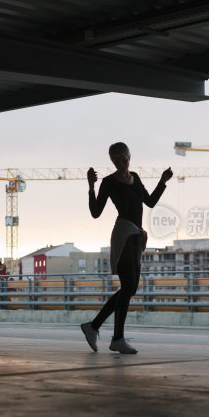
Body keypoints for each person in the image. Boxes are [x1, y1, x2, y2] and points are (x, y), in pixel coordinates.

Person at [80, 142, 173, 354]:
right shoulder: (108, 182)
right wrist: (91, 187)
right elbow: (95, 212)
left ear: (130, 157)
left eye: (126, 159)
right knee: (129, 286)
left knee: (130, 288)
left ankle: (96, 328)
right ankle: (114, 337)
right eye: (118, 161)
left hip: (137, 236)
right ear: (112, 161)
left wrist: (162, 181)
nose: (123, 164)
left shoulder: (136, 178)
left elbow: (149, 202)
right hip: (124, 234)